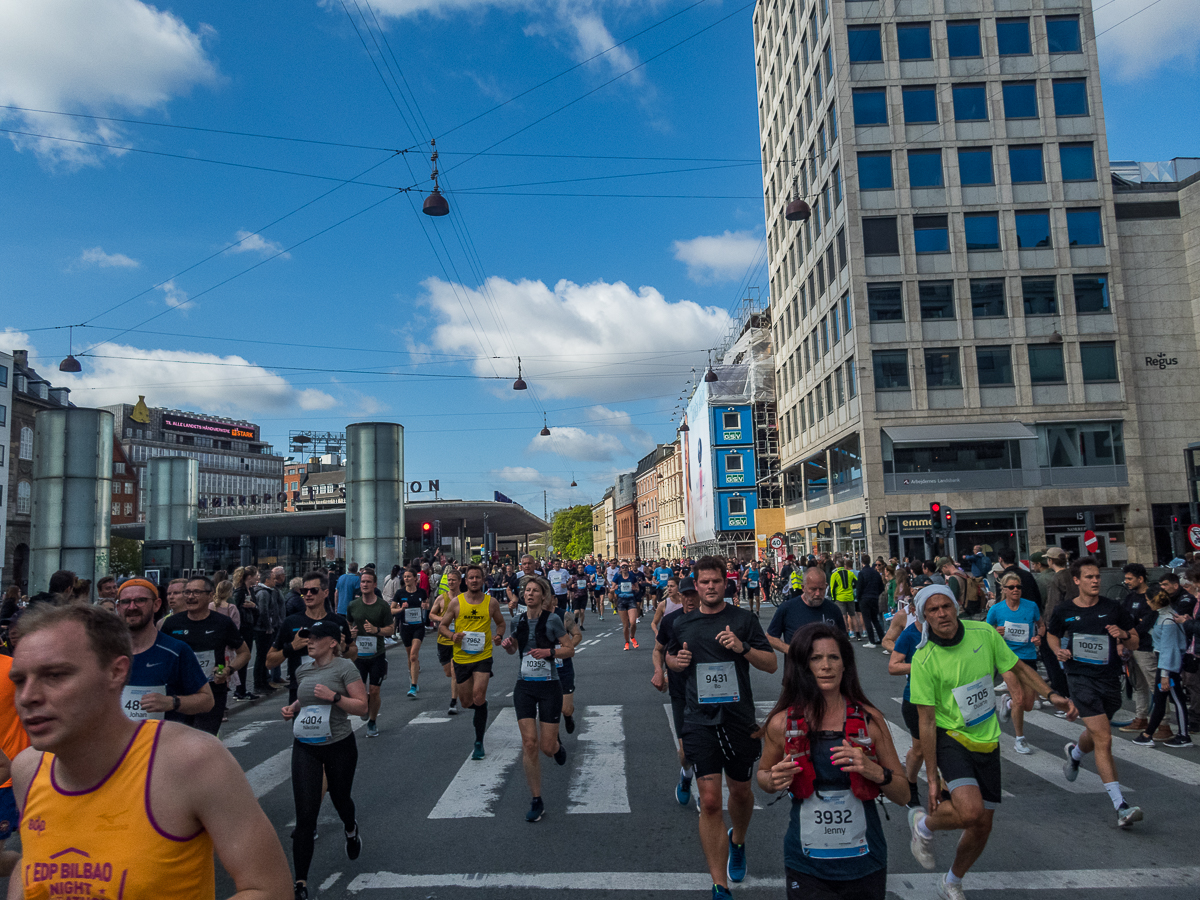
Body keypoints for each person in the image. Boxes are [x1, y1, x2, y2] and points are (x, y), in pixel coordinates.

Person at [7, 602, 292, 900]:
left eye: (55, 675)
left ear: (116, 672)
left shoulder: (192, 761)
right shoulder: (28, 769)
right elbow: (32, 863)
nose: (28, 697)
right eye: (19, 680)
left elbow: (269, 889)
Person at [908, 585, 1074, 900]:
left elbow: (1016, 667)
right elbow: (927, 721)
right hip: (950, 735)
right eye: (933, 610)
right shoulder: (923, 659)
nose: (942, 613)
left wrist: (1051, 694)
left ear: (956, 606)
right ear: (924, 617)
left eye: (946, 606)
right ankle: (924, 824)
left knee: (983, 824)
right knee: (970, 812)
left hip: (986, 737)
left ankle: (952, 880)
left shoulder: (983, 633)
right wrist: (930, 778)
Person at [758, 624, 910, 900]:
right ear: (803, 666)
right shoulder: (782, 723)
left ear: (845, 665)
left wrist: (875, 771)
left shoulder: (869, 720)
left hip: (865, 861)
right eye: (816, 658)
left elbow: (902, 794)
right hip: (806, 863)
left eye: (833, 658)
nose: (825, 666)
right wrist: (773, 779)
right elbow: (763, 777)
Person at [666, 556, 777, 899]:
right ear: (695, 586)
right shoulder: (683, 625)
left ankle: (738, 841)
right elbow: (670, 656)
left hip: (737, 718)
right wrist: (675, 662)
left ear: (725, 584)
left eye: (716, 581)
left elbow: (771, 664)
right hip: (699, 720)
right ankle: (719, 885)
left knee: (741, 793)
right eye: (704, 582)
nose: (711, 587)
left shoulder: (742, 620)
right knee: (712, 801)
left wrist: (742, 647)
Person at [1046, 557, 1142, 827]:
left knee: (1096, 732)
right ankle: (1120, 805)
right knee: (1104, 737)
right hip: (1080, 678)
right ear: (1076, 581)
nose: (1095, 580)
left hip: (1110, 680)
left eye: (1097, 576)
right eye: (1089, 577)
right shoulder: (1065, 610)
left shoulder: (1113, 608)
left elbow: (1135, 639)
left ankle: (1075, 754)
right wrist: (1058, 651)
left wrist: (1122, 634)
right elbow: (1052, 635)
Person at [281, 620, 369, 900]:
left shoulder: (345, 668)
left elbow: (362, 707)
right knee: (306, 815)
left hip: (339, 745)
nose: (310, 641)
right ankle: (301, 884)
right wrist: (292, 707)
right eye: (308, 637)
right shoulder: (302, 669)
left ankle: (351, 828)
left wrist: (334, 697)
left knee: (341, 798)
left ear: (332, 642)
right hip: (306, 745)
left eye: (316, 638)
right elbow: (304, 700)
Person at [499, 576, 573, 822]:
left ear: (544, 596)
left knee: (546, 747)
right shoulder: (516, 621)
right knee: (529, 743)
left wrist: (549, 652)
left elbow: (569, 648)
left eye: (535, 591)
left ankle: (557, 747)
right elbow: (513, 651)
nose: (530, 594)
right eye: (527, 590)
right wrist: (508, 645)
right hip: (524, 687)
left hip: (550, 686)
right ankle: (536, 799)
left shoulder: (552, 620)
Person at [160, 576, 251, 735]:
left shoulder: (222, 623)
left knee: (202, 739)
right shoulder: (172, 624)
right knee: (179, 741)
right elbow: (160, 655)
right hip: (180, 692)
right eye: (187, 592)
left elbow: (244, 653)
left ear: (210, 596)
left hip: (212, 690)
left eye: (196, 592)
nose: (190, 596)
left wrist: (227, 670)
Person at [116, 578, 213, 724]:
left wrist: (172, 702)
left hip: (161, 743)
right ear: (118, 608)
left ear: (156, 605)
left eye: (140, 600)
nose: (132, 607)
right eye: (125, 601)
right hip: (117, 744)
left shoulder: (176, 650)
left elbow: (207, 700)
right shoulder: (105, 651)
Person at [438, 564, 507, 760]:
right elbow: (442, 626)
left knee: (478, 696)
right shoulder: (456, 603)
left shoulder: (491, 602)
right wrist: (452, 636)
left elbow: (501, 623)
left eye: (478, 577)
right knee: (467, 702)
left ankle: (479, 741)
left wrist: (499, 635)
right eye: (471, 578)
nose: (474, 580)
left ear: (483, 580)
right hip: (461, 658)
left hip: (483, 657)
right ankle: (481, 708)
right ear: (465, 581)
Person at [268, 572, 354, 705]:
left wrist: (344, 648)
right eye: (304, 591)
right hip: (301, 690)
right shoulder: (291, 622)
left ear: (325, 593)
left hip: (333, 689)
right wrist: (291, 647)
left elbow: (354, 654)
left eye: (313, 590)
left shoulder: (337, 622)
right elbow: (269, 662)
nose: (308, 594)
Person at [653, 577, 701, 806]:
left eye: (694, 594)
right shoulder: (671, 620)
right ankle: (686, 776)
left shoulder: (711, 618)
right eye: (686, 595)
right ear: (679, 596)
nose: (690, 599)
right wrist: (657, 671)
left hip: (709, 692)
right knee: (685, 751)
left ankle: (707, 792)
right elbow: (658, 650)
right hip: (681, 690)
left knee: (708, 746)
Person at [985, 573, 1043, 754]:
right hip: (1007, 658)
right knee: (1019, 698)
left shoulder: (1031, 606)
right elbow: (986, 632)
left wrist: (1039, 636)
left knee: (1028, 704)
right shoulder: (996, 609)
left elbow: (1041, 625)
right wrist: (996, 630)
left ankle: (1007, 703)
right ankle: (1020, 739)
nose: (1016, 590)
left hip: (1028, 656)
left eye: (1018, 587)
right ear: (1004, 590)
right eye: (1011, 587)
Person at [1130, 589, 1192, 748]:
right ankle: (1148, 734)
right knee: (1161, 699)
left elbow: (1167, 648)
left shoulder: (1167, 620)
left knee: (1175, 699)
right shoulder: (1167, 616)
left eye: (1148, 600)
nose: (1147, 603)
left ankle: (1183, 735)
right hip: (1166, 665)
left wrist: (1165, 675)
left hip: (1167, 666)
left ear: (1154, 601)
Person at [1119, 563, 1163, 738]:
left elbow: (1148, 621)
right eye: (1126, 578)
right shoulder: (1130, 598)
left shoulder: (1152, 596)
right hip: (1131, 647)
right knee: (1138, 685)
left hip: (1146, 647)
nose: (1126, 581)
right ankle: (1141, 717)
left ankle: (1164, 723)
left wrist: (1129, 633)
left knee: (1155, 686)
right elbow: (1123, 617)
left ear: (1141, 579)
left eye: (1130, 579)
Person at [347, 569, 393, 736]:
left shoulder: (382, 606)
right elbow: (348, 624)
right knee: (356, 691)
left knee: (375, 690)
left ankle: (372, 722)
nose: (364, 584)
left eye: (368, 582)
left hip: (377, 655)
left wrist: (376, 630)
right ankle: (365, 701)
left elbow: (391, 629)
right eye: (362, 582)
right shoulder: (353, 605)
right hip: (358, 656)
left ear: (374, 584)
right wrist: (350, 634)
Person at [766, 567, 845, 654]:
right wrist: (792, 651)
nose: (818, 593)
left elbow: (843, 640)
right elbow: (770, 637)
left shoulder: (833, 609)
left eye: (821, 589)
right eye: (813, 589)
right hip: (797, 665)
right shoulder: (787, 608)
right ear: (803, 588)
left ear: (826, 586)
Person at [389, 568, 428, 699]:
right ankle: (413, 674)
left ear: (415, 579)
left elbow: (427, 604)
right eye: (405, 577)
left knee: (413, 655)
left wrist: (425, 606)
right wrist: (401, 608)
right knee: (409, 655)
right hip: (405, 627)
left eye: (409, 577)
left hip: (418, 627)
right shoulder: (400, 593)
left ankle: (413, 686)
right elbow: (392, 610)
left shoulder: (421, 592)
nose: (406, 579)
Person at [429, 569, 463, 716]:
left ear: (459, 581)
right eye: (449, 580)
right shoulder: (441, 598)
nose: (450, 582)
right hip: (444, 640)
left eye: (453, 580)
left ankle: (453, 702)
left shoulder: (464, 598)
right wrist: (441, 620)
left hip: (459, 640)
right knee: (448, 672)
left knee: (455, 672)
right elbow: (431, 614)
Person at [856, 554, 886, 649]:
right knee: (875, 619)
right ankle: (882, 638)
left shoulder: (862, 573)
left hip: (865, 598)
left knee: (867, 619)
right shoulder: (875, 573)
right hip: (874, 597)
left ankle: (871, 640)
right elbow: (881, 587)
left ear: (862, 562)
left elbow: (859, 587)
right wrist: (876, 593)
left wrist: (859, 597)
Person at [610, 562, 641, 651]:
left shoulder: (632, 576)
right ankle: (627, 642)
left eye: (626, 566)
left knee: (633, 622)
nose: (624, 568)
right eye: (623, 566)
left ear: (628, 567)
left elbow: (637, 588)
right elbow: (611, 589)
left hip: (631, 600)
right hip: (621, 601)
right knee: (626, 625)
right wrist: (614, 588)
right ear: (620, 568)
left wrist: (634, 589)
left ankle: (632, 637)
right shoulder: (617, 576)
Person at [830, 559, 859, 639]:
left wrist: (833, 598)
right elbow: (857, 583)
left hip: (840, 598)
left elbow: (832, 588)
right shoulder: (850, 573)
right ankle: (858, 634)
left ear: (836, 565)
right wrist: (852, 589)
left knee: (843, 616)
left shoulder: (834, 574)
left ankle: (846, 634)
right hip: (850, 596)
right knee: (853, 615)